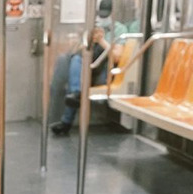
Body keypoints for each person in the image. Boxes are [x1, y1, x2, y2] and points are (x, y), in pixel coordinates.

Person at [50, 0, 133, 136]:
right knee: (76, 59)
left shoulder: (119, 29)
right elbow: (76, 50)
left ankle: (66, 121)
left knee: (76, 84)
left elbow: (117, 56)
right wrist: (88, 41)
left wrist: (102, 40)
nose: (103, 17)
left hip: (105, 68)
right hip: (88, 67)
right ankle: (75, 93)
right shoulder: (92, 27)